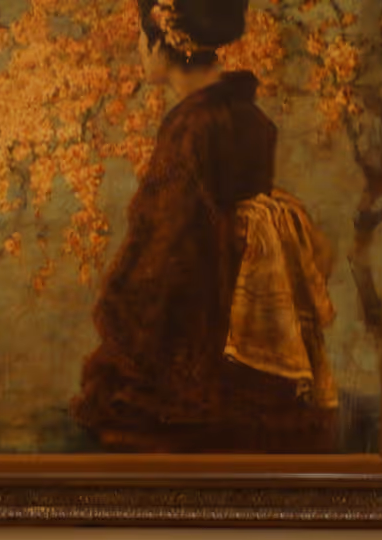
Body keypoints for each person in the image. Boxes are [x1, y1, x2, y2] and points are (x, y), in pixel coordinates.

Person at [74, 0, 340, 453]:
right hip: (242, 328)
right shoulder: (253, 120)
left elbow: (167, 245)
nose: (138, 49)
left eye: (142, 37)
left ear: (162, 44)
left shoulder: (189, 128)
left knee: (123, 396)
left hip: (202, 324)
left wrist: (123, 304)